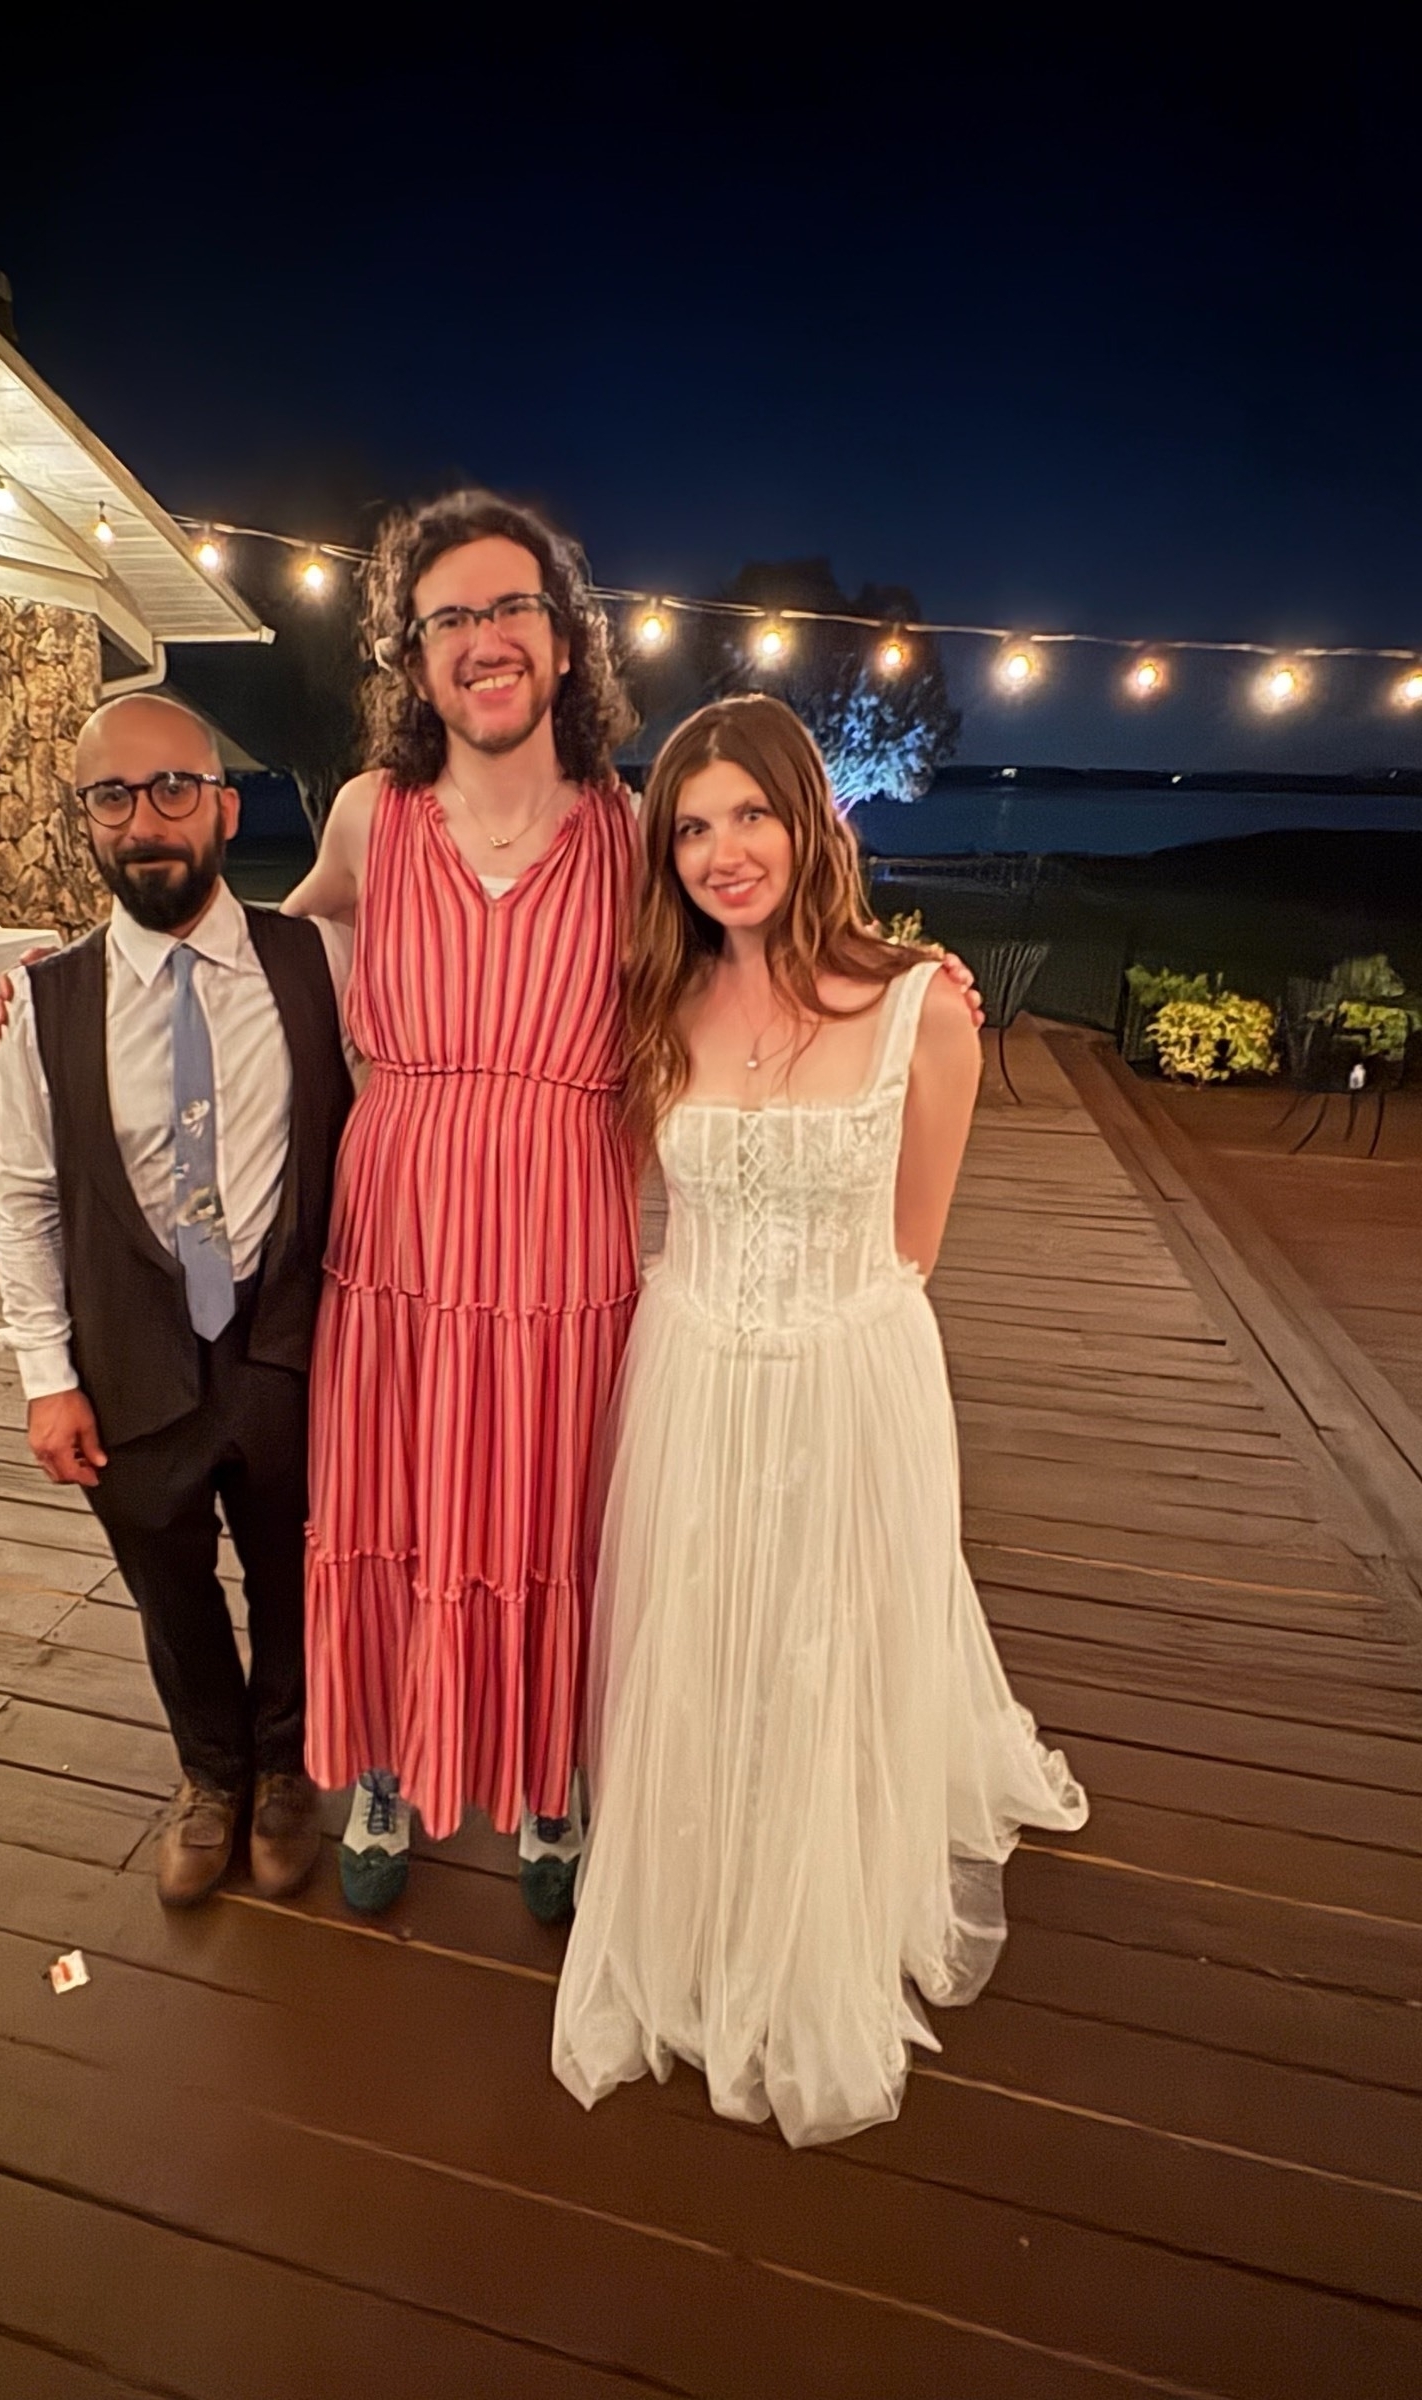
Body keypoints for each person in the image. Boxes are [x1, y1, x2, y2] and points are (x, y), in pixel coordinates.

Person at [552, 695, 1087, 2145]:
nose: (725, 851)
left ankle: (825, 1888)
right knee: (705, 1632)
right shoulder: (651, 1005)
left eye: (753, 814)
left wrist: (819, 1353)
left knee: (829, 1633)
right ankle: (705, 1879)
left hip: (851, 1369)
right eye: (694, 826)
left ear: (812, 823)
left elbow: (914, 1245)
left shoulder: (927, 1008)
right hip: (693, 1368)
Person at [282, 492, 639, 1920]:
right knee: (396, 1493)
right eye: (450, 620)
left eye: (511, 611)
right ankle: (381, 1759)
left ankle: (551, 1780)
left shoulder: (633, 822)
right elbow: (274, 939)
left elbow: (764, 931)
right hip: (402, 1226)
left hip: (566, 1226)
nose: (484, 641)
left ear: (562, 641)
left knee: (554, 1510)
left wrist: (907, 984)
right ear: (414, 657)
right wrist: (84, 983)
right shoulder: (375, 816)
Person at [0, 691, 353, 1908]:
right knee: (169, 1584)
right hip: (130, 1356)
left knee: (297, 1569)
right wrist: (46, 1376)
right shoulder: (41, 1008)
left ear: (224, 804)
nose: (145, 820)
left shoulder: (319, 963)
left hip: (287, 1338)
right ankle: (209, 1774)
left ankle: (288, 1763)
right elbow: (26, 1197)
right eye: (112, 796)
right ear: (84, 820)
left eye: (173, 789)